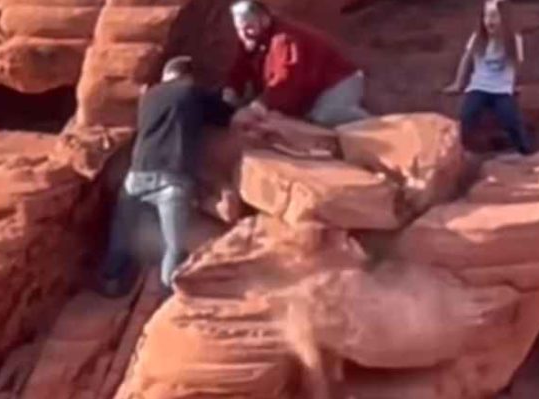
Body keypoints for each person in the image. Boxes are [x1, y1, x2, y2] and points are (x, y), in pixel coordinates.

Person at [97, 56, 235, 297]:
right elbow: (224, 116)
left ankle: (111, 279)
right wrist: (229, 99)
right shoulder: (191, 91)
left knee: (122, 232)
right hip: (173, 178)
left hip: (138, 174)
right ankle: (162, 297)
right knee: (172, 246)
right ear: (187, 75)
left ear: (166, 75)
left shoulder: (149, 96)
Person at [225, 0, 371, 128]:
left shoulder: (285, 39)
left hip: (339, 80)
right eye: (238, 29)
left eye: (248, 27)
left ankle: (378, 127)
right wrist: (231, 92)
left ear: (264, 20)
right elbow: (239, 68)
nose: (243, 34)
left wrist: (260, 105)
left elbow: (285, 80)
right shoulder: (250, 39)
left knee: (324, 117)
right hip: (310, 88)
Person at [444, 0, 533, 155]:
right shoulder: (478, 38)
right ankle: (455, 153)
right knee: (467, 116)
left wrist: (515, 84)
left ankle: (525, 152)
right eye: (486, 16)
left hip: (502, 89)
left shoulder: (513, 39)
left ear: (503, 18)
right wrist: (458, 83)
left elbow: (519, 63)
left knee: (511, 119)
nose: (489, 21)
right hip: (479, 86)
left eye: (493, 16)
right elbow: (466, 59)